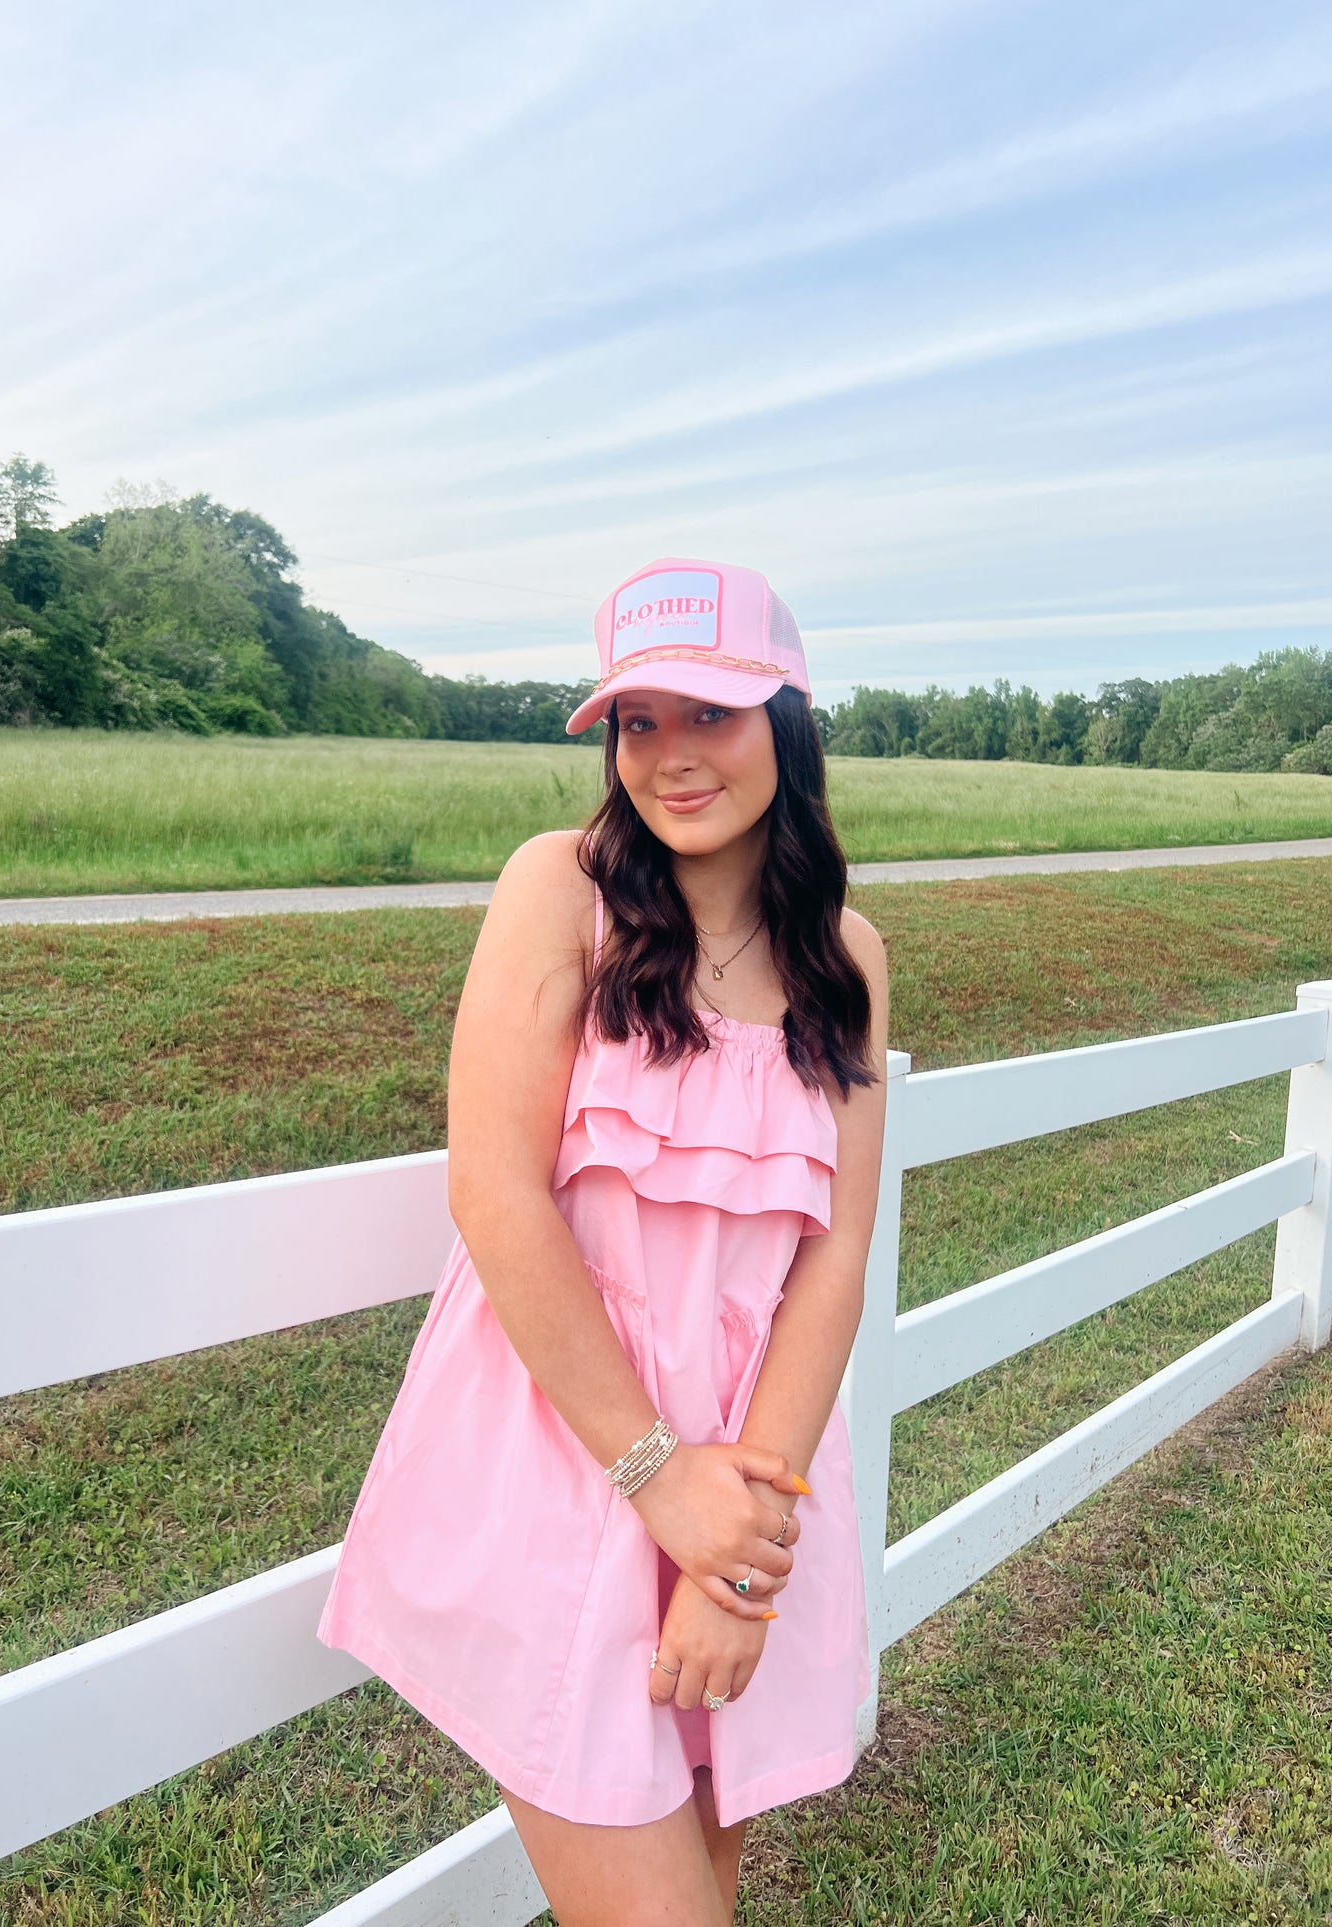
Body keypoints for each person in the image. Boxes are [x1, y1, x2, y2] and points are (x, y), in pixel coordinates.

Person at [316, 556, 890, 1926]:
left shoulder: (845, 955)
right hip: (565, 1463)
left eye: (710, 714)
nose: (670, 757)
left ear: (788, 722)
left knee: (709, 1880)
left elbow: (833, 1256)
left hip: (752, 1477)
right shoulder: (557, 891)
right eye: (639, 721)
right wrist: (658, 1483)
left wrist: (737, 1558)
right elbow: (494, 1194)